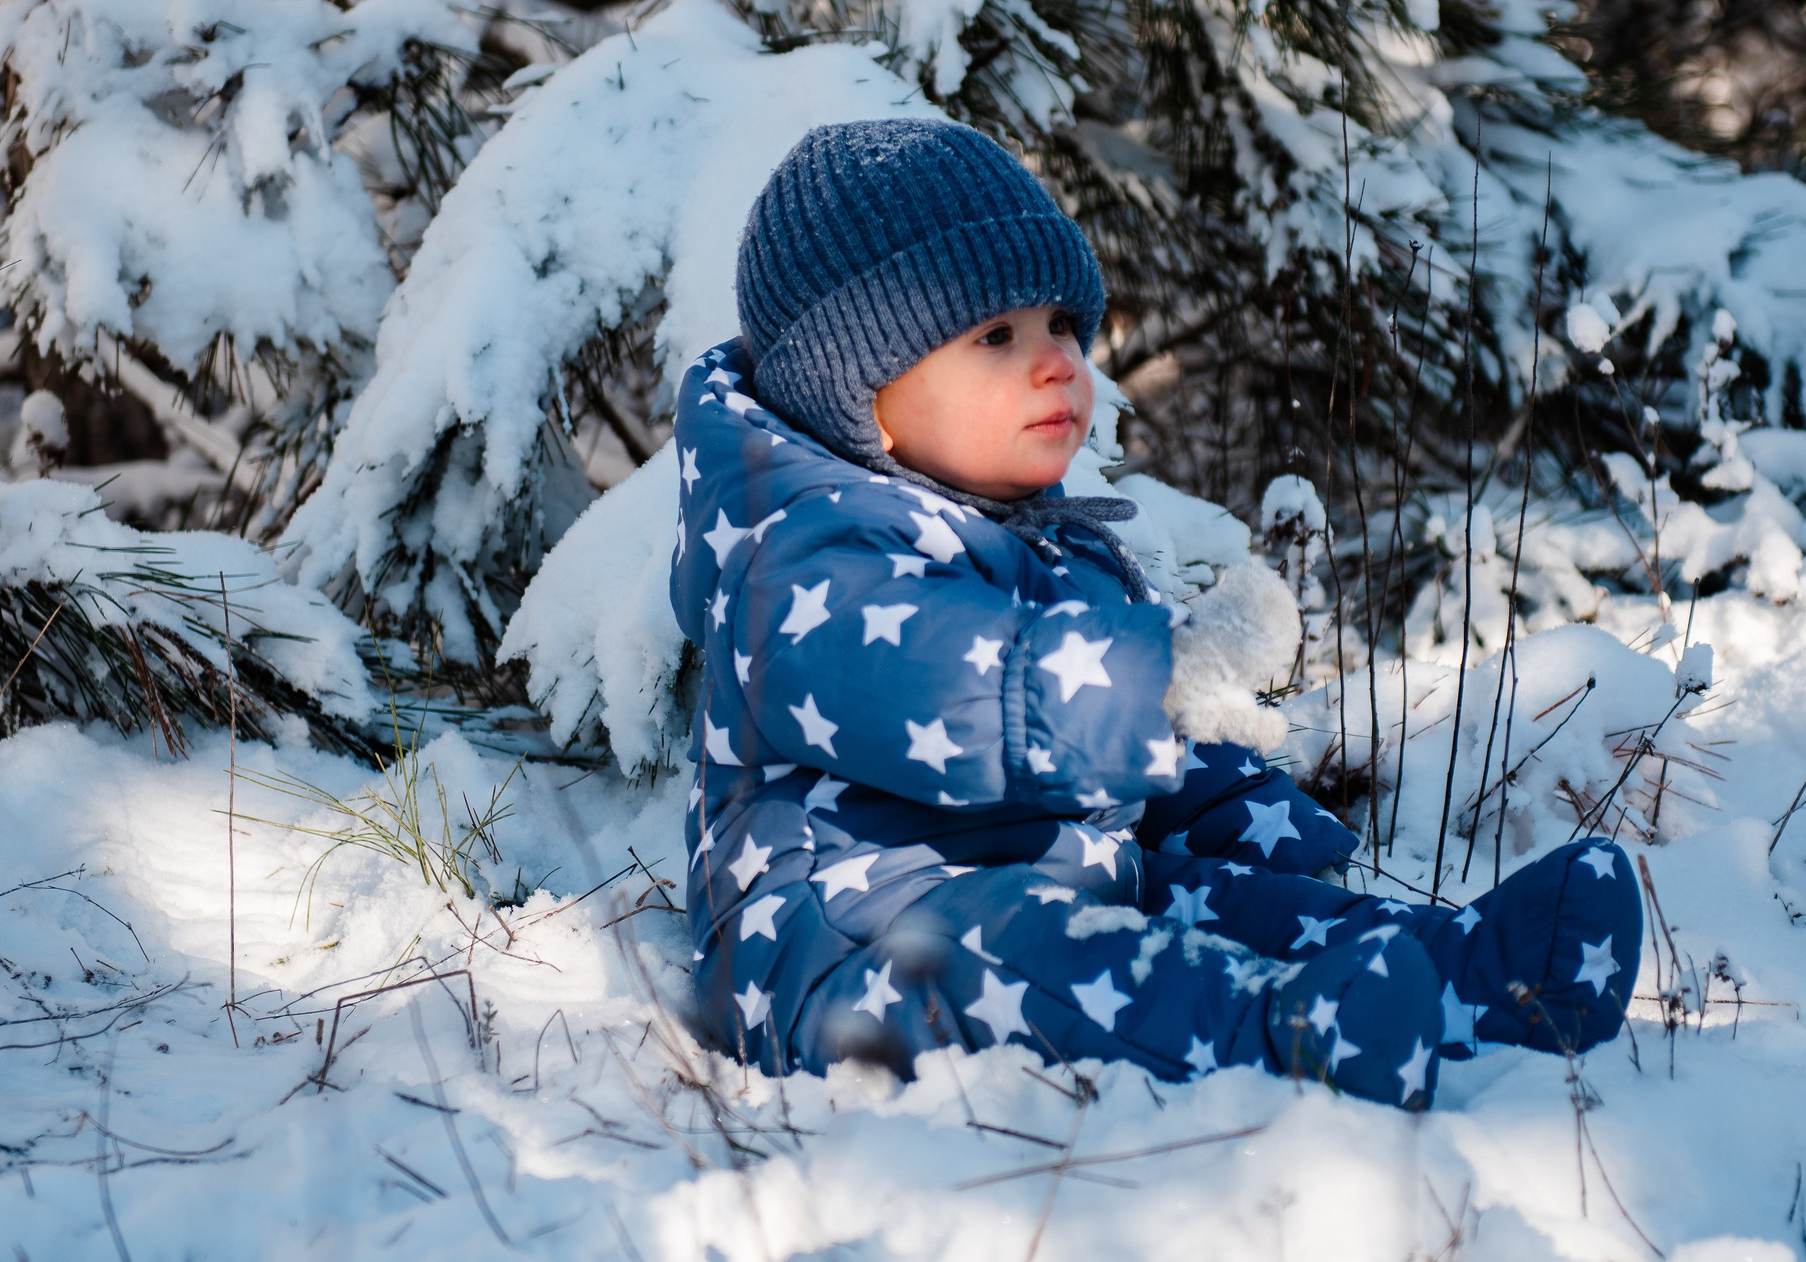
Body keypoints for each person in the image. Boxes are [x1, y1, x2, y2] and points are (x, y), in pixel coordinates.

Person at [674, 118, 1644, 1109]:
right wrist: (1150, 677)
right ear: (861, 392)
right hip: (850, 947)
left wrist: (1265, 828)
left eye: (1061, 322)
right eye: (996, 336)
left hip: (1065, 891)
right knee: (1052, 954)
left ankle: (1478, 977)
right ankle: (1289, 1036)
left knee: (1221, 902)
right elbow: (951, 680)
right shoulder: (795, 563)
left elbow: (1161, 744)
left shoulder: (1048, 544)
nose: (1056, 361)